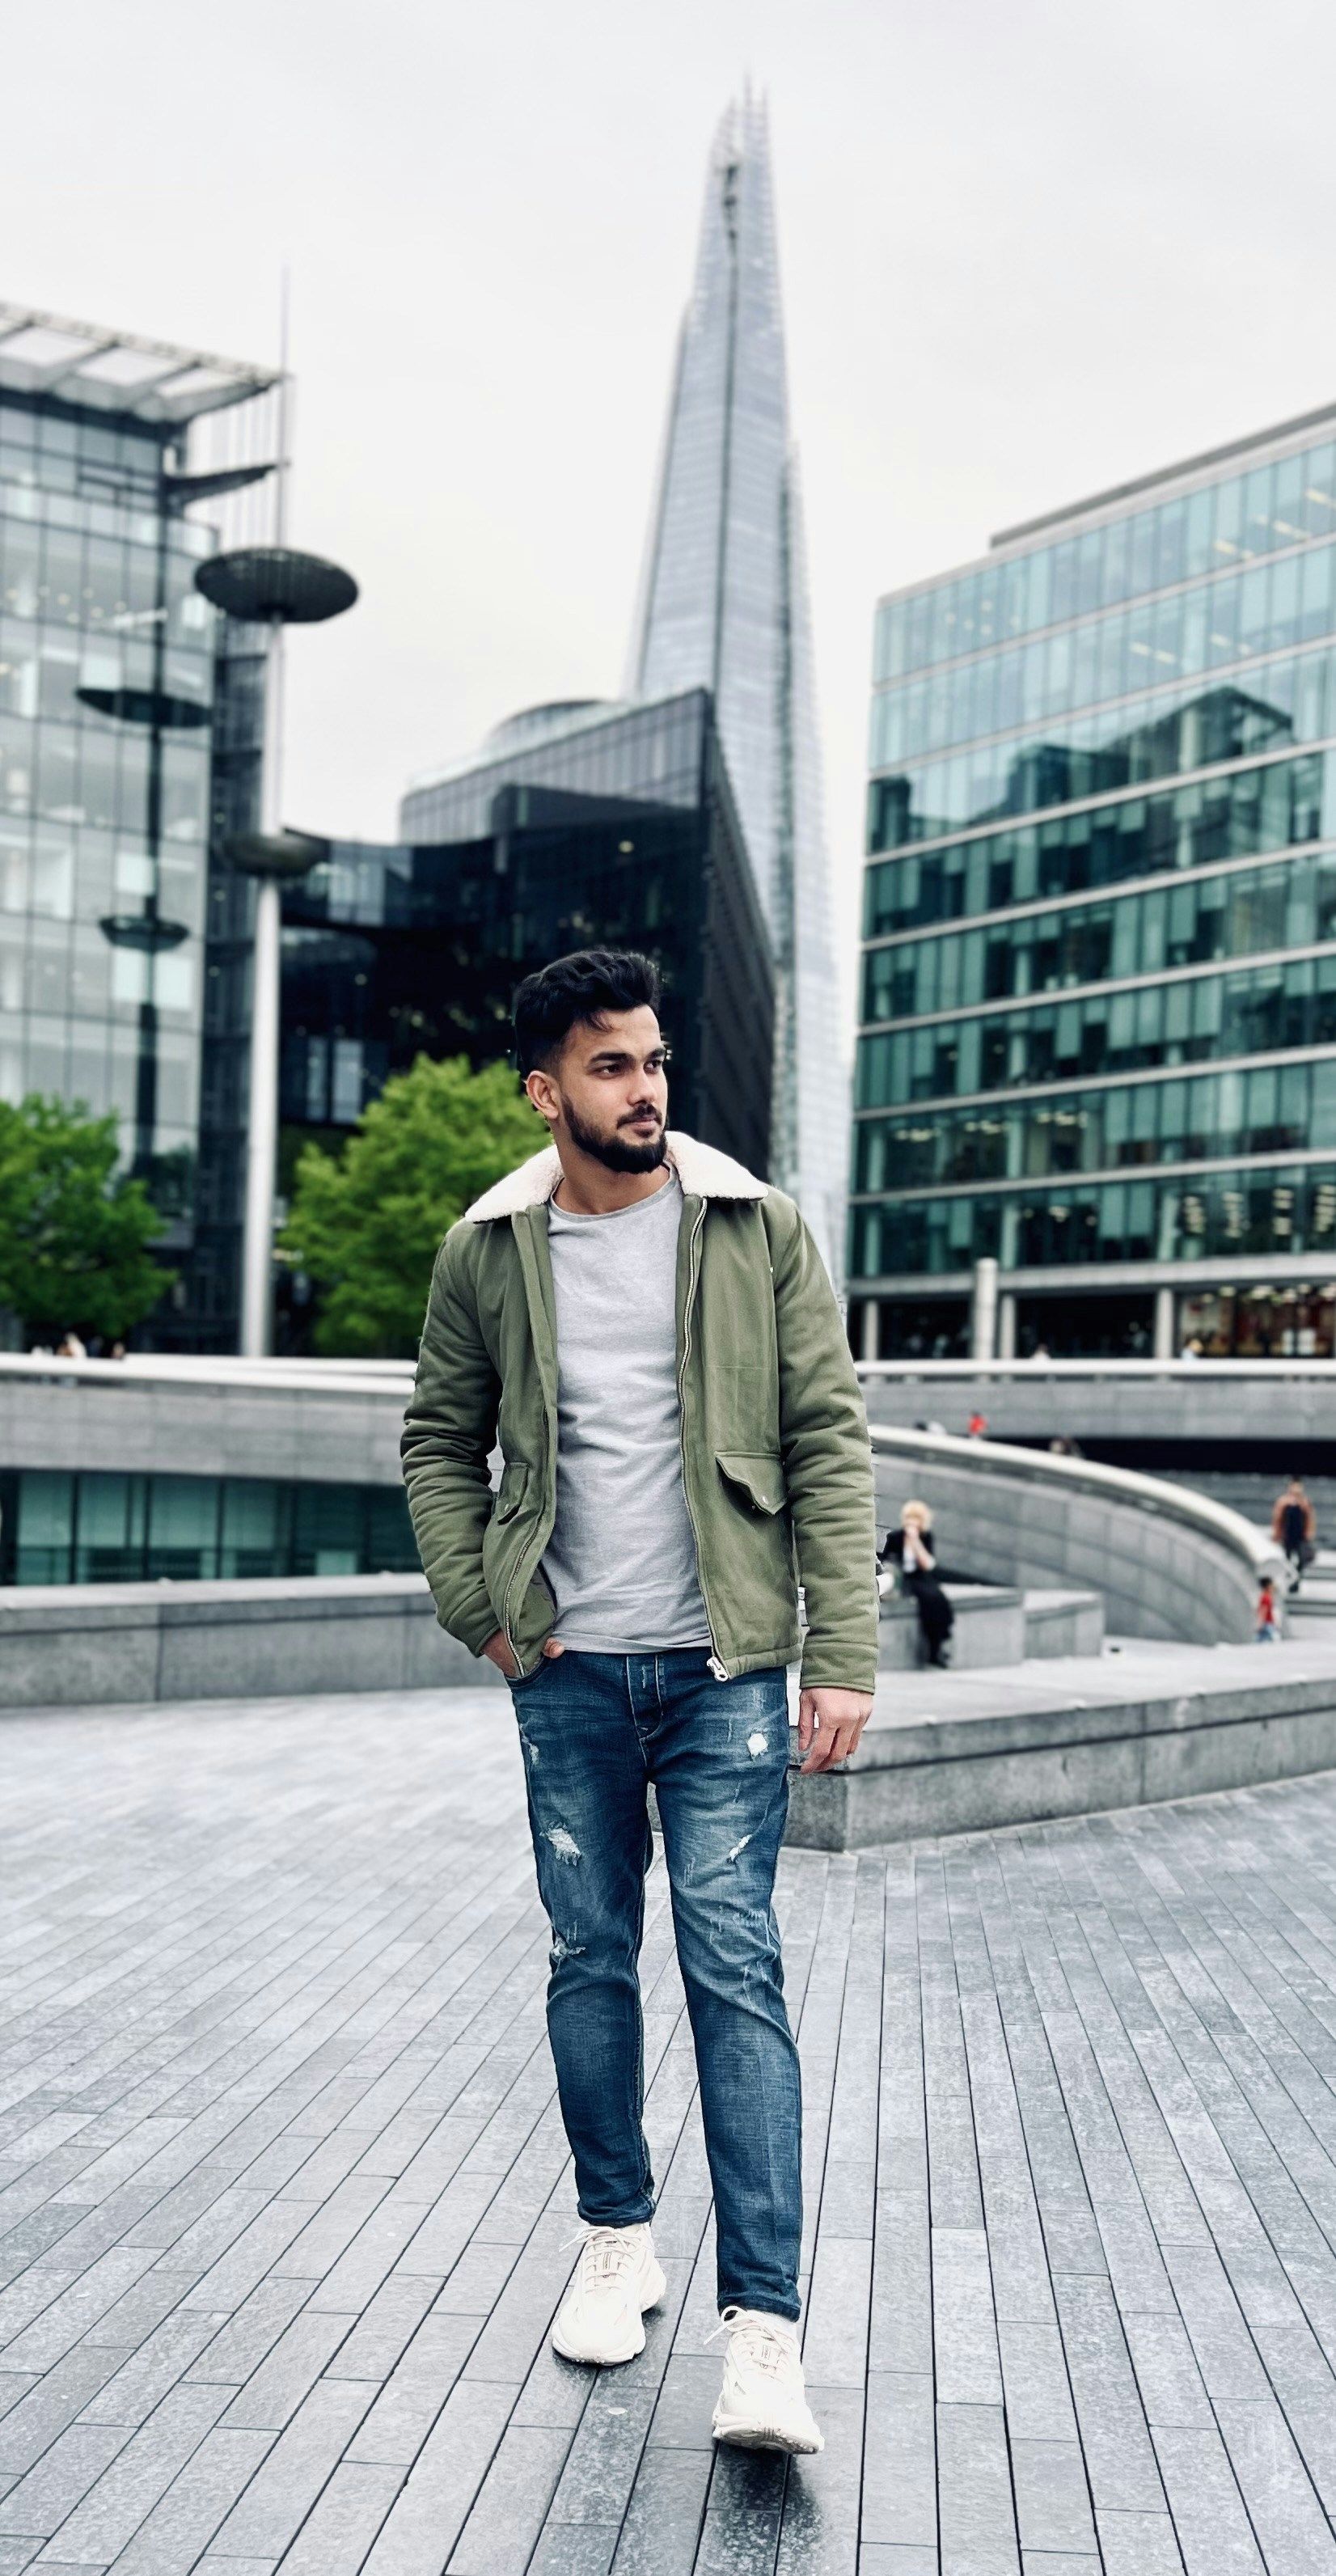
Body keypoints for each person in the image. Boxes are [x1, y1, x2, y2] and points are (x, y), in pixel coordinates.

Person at [402, 948, 877, 2457]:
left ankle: (764, 2336)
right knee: (588, 1958)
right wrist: (482, 1611)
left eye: (655, 1060)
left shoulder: (754, 1226)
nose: (646, 1087)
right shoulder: (489, 1251)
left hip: (726, 1668)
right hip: (568, 1674)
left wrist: (844, 1649)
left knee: (735, 1969)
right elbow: (438, 1441)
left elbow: (827, 1436)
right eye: (610, 1066)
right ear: (544, 1093)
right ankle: (617, 2237)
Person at [883, 1499, 953, 1667]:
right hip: (902, 1577)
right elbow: (885, 1561)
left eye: (916, 1518)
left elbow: (928, 1565)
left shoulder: (926, 1538)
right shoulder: (895, 1537)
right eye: (909, 1517)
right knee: (927, 1598)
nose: (911, 1522)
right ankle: (935, 1650)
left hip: (920, 1575)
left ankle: (938, 1644)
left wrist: (915, 1543)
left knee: (939, 1598)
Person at [1271, 1475, 1317, 1591]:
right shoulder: (1283, 1502)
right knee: (1287, 1560)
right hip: (1287, 1536)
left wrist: (1309, 1533)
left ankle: (1296, 1580)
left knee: (1301, 1560)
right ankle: (1288, 1581)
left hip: (1300, 1536)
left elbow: (1310, 1519)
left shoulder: (1304, 1502)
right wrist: (1277, 1534)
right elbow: (1278, 1519)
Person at [1256, 1575, 1279, 1642]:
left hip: (1268, 1624)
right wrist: (1260, 1624)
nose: (1273, 1587)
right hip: (1267, 1625)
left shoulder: (1267, 1596)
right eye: (1271, 1585)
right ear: (1268, 1586)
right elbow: (1263, 1611)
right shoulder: (1266, 1597)